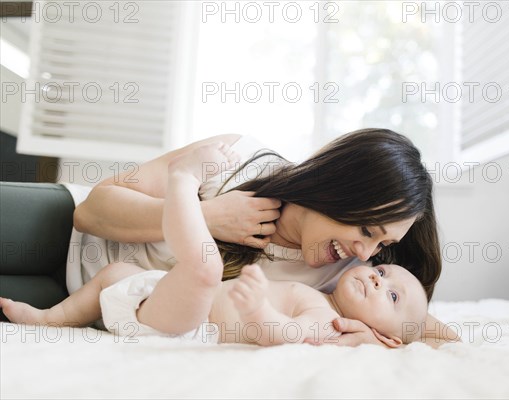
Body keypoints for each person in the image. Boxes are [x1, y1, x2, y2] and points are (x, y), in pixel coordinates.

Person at [0, 142, 429, 347]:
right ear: (341, 188)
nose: (366, 256)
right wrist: (208, 215)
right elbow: (92, 211)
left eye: (381, 249)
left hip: (87, 303)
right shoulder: (242, 160)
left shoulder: (339, 276)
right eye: (368, 232)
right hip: (62, 232)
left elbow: (409, 317)